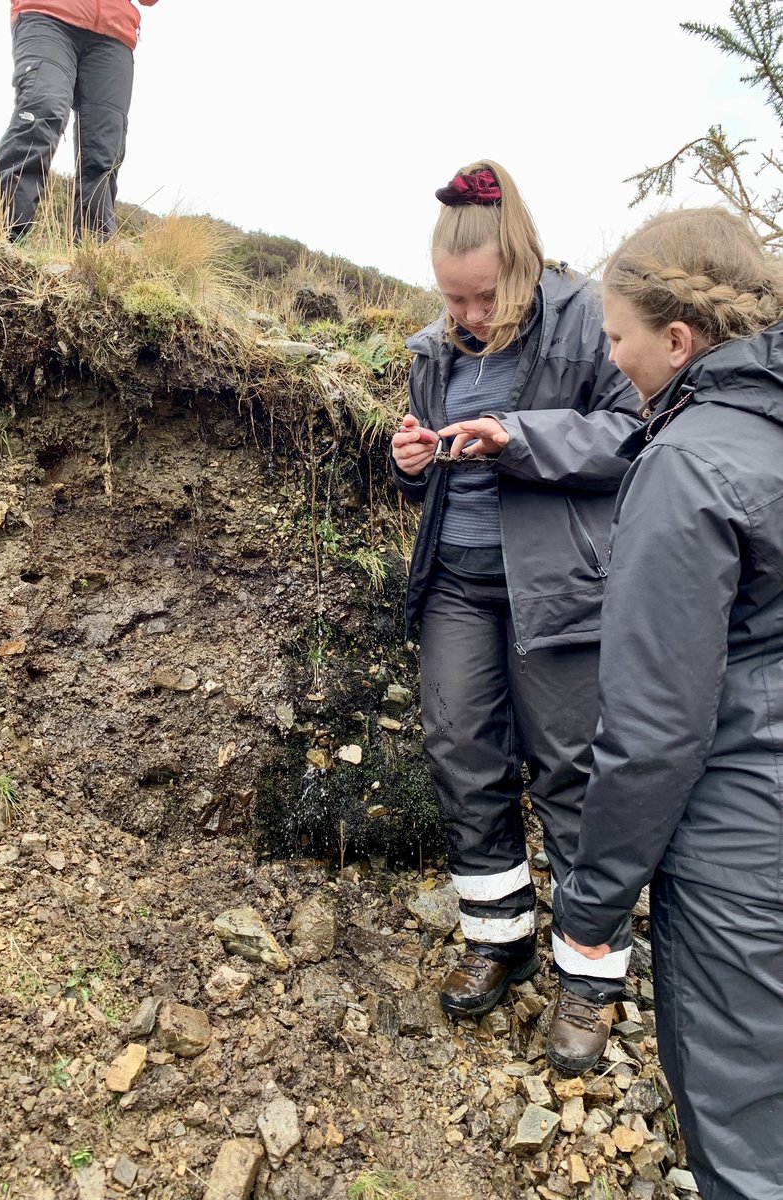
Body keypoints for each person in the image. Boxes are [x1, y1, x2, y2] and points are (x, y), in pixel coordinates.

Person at [389, 158, 641, 1074]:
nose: (467, 318)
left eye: (483, 298)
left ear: (524, 263)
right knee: (463, 751)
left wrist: (520, 438)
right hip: (456, 580)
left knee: (572, 769)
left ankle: (589, 973)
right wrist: (410, 459)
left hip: (559, 587)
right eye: (453, 302)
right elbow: (419, 463)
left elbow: (631, 433)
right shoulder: (432, 352)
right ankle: (499, 937)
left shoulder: (588, 321)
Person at [553, 207, 783, 1198]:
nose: (612, 358)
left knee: (746, 1148)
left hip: (745, 863)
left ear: (678, 341)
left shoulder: (688, 464)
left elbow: (652, 736)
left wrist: (594, 904)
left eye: (617, 337)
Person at [0, 0, 157, 242]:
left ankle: (95, 248)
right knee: (43, 107)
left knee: (105, 146)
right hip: (48, 16)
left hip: (114, 33)